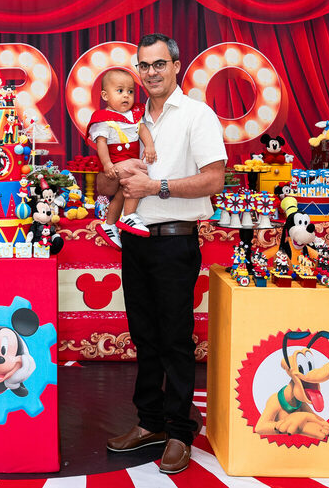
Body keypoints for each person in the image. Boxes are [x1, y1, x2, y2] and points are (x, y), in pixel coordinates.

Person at [102, 34, 226, 475]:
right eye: (144, 65)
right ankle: (150, 422)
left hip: (175, 239)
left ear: (176, 66)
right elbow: (106, 186)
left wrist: (156, 186)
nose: (151, 72)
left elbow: (214, 179)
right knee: (145, 336)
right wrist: (114, 172)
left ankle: (179, 431)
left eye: (159, 64)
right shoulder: (128, 119)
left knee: (174, 338)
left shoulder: (197, 114)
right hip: (134, 240)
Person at [86, 69, 157, 248]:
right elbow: (101, 143)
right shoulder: (103, 119)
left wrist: (149, 146)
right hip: (116, 162)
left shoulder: (134, 115)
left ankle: (109, 224)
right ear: (105, 95)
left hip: (130, 159)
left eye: (130, 91)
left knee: (123, 193)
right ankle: (129, 216)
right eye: (120, 91)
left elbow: (143, 130)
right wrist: (107, 164)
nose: (126, 95)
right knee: (137, 180)